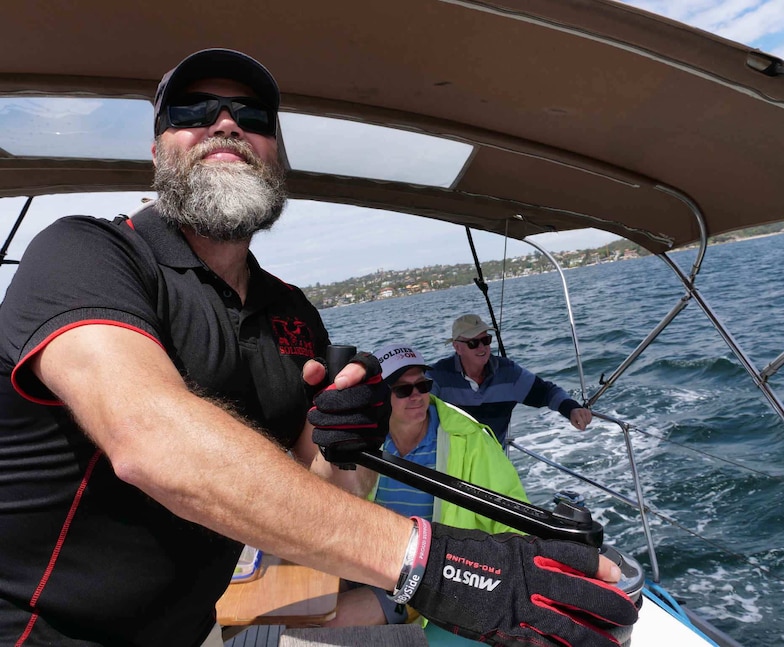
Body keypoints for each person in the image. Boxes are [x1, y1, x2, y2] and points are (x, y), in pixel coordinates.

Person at [0, 49, 636, 647]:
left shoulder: (293, 313)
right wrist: (432, 562)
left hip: (189, 630)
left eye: (253, 118)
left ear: (276, 157)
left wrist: (347, 442)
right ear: (157, 147)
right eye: (192, 111)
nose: (225, 124)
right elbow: (150, 442)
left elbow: (320, 491)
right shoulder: (87, 254)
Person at [324, 343, 530, 629]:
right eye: (403, 390)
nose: (417, 396)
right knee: (301, 604)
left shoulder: (469, 439)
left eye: (423, 385)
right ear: (380, 396)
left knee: (333, 620)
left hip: (425, 574)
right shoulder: (364, 435)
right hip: (364, 556)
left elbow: (511, 511)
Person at [429, 314, 593, 444]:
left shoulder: (507, 373)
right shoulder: (438, 376)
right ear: (457, 347)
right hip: (451, 463)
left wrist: (571, 409)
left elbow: (547, 392)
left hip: (493, 462)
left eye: (486, 340)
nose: (482, 347)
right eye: (473, 343)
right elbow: (418, 407)